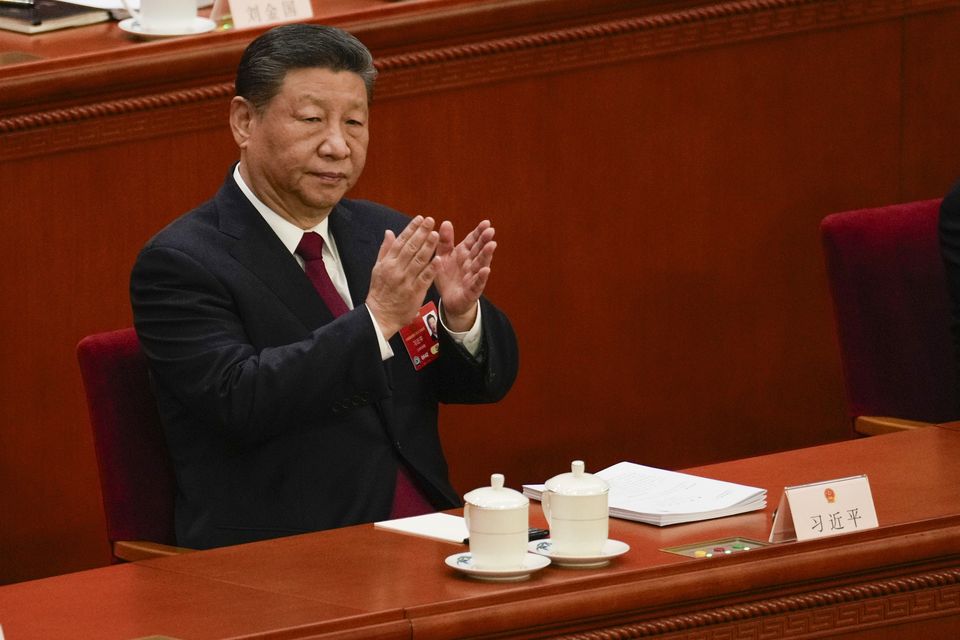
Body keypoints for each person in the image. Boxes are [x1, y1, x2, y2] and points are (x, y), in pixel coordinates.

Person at [130, 23, 519, 550]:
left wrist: (457, 319)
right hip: (289, 549)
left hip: (431, 524)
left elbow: (477, 386)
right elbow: (240, 401)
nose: (338, 145)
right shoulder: (180, 262)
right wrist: (377, 320)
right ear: (244, 120)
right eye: (312, 120)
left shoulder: (378, 233)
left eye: (354, 122)